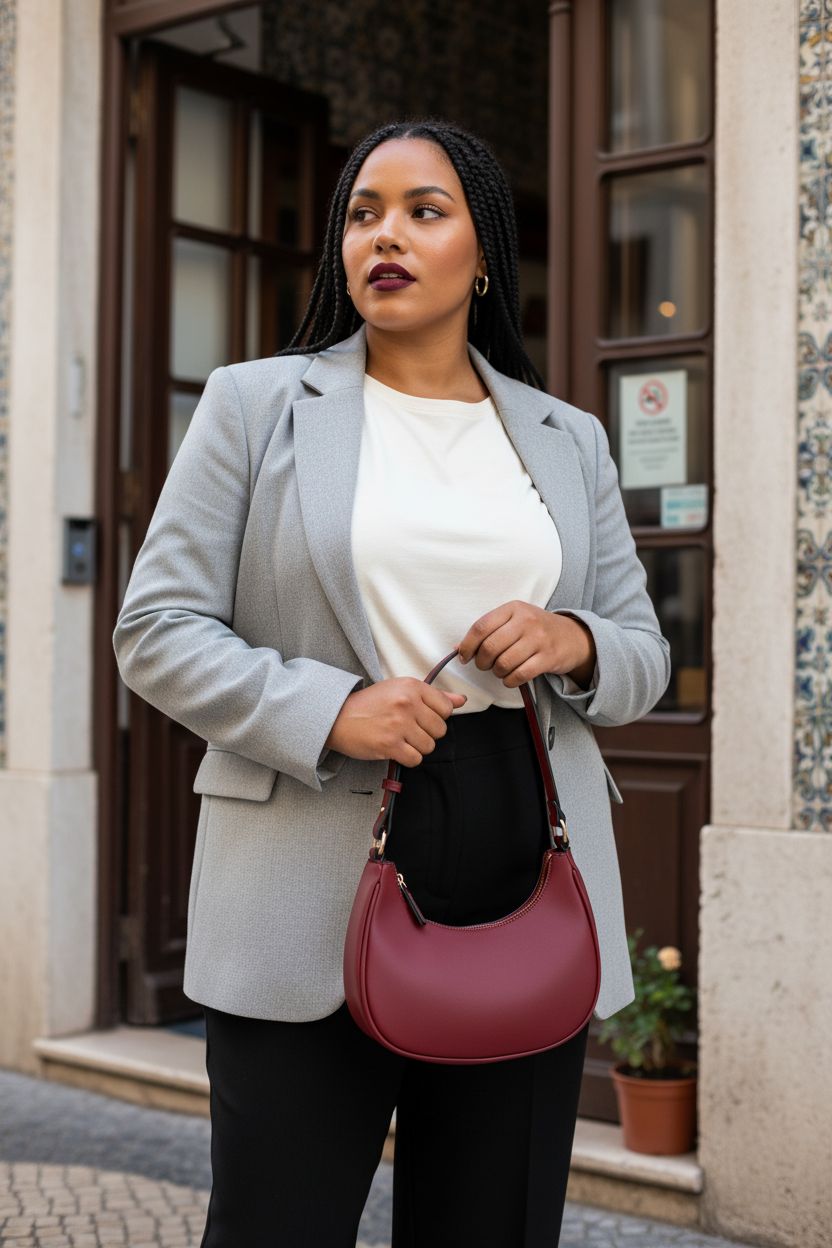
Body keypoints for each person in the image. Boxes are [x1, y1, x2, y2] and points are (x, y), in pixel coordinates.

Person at [112, 117, 671, 1247]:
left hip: (522, 835)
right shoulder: (257, 405)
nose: (385, 235)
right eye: (363, 214)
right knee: (278, 1223)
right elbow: (156, 630)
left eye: (425, 211)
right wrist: (329, 710)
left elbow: (642, 653)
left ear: (483, 252)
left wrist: (572, 639)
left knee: (493, 1222)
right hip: (309, 846)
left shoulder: (566, 437)